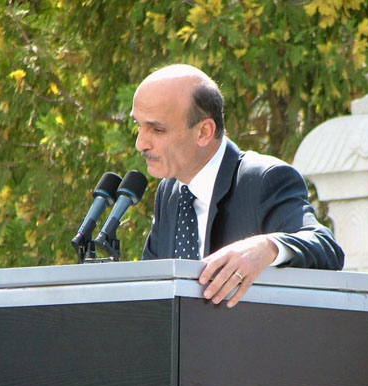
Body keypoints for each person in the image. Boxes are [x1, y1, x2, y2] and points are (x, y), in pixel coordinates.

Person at [131, 64, 344, 307]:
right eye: (138, 125)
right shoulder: (170, 191)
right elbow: (152, 289)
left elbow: (325, 246)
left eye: (157, 129)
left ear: (204, 132)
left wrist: (266, 247)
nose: (141, 144)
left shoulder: (264, 179)